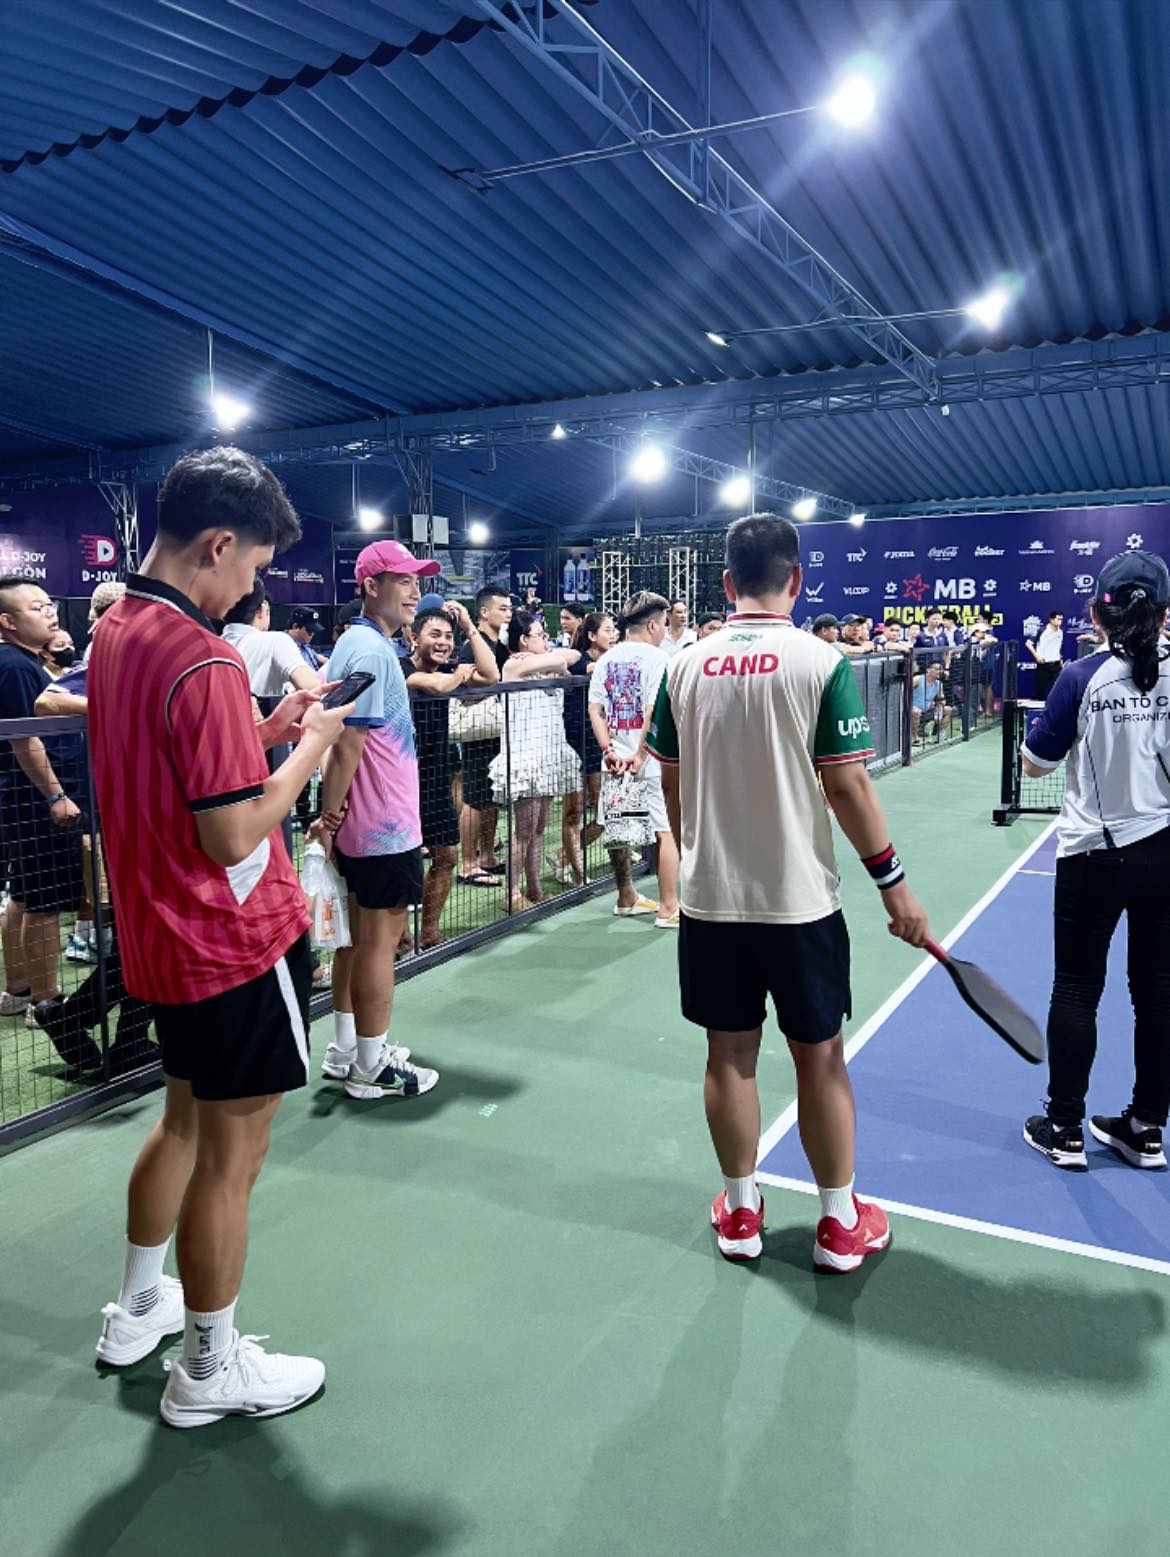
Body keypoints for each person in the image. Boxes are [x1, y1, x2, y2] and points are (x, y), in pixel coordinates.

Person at [86, 445, 352, 1427]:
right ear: (218, 543)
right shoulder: (199, 653)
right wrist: (316, 747)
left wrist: (262, 731)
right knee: (230, 1158)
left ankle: (140, 1307)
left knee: (184, 1120)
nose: (253, 590)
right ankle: (207, 1367)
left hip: (159, 932)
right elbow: (235, 830)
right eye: (251, 571)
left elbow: (177, 759)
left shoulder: (118, 624)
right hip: (226, 938)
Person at [645, 513, 931, 1270]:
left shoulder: (684, 664)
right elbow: (847, 783)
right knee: (820, 1060)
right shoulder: (819, 660)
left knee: (728, 1058)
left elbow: (671, 784)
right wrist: (894, 885)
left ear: (729, 583)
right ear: (796, 580)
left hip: (711, 902)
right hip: (798, 903)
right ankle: (840, 1224)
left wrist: (699, 844)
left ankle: (740, 1213)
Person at [1022, 551, 1170, 1172]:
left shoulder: (1081, 677)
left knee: (1078, 988)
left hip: (1093, 856)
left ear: (1095, 612)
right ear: (1165, 612)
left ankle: (1064, 1126)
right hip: (1165, 854)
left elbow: (1035, 763)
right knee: (1159, 992)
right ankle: (1145, 1128)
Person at [314, 540, 441, 1102]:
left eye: (417, 580)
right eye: (403, 580)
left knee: (355, 939)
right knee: (378, 943)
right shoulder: (370, 651)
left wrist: (333, 816)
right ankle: (371, 1063)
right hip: (381, 825)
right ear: (371, 585)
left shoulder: (357, 644)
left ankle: (347, 1051)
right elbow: (347, 744)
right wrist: (332, 813)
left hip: (368, 824)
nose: (415, 591)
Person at [0, 579, 84, 1029]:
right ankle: (46, 1002)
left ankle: (18, 990)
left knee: (24, 896)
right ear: (8, 622)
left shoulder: (23, 661)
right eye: (36, 607)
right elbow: (23, 739)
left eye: (50, 604)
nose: (50, 613)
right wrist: (56, 794)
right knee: (44, 904)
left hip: (25, 798)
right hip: (35, 800)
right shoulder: (15, 665)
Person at [404, 604, 498, 949]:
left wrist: (470, 627)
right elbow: (440, 685)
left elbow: (490, 676)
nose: (443, 642)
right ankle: (401, 935)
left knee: (446, 856)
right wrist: (461, 673)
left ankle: (428, 931)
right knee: (406, 862)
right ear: (413, 637)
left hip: (435, 778)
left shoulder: (449, 669)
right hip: (399, 782)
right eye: (435, 635)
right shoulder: (402, 669)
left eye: (447, 636)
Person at [589, 591, 680, 928]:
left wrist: (609, 751)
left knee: (620, 828)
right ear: (654, 624)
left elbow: (595, 709)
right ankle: (668, 907)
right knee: (665, 831)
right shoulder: (660, 660)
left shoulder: (606, 660)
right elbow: (653, 710)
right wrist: (641, 754)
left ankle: (626, 897)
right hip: (651, 761)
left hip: (614, 759)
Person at [488, 609, 580, 910]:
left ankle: (535, 888)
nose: (546, 639)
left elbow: (571, 659)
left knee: (539, 828)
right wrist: (556, 660)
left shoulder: (539, 665)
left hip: (549, 754)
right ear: (524, 640)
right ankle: (511, 895)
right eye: (540, 635)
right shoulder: (512, 666)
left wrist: (556, 661)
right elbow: (564, 658)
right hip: (526, 757)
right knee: (523, 831)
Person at [551, 611, 617, 885]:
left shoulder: (610, 660)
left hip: (601, 743)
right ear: (591, 635)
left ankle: (564, 856)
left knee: (604, 813)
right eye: (608, 630)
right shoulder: (580, 661)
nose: (614, 635)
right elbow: (577, 666)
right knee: (574, 812)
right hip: (575, 741)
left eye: (615, 630)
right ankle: (572, 865)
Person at [456, 586, 512, 887]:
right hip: (478, 732)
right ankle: (468, 864)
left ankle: (488, 856)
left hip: (496, 731)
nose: (508, 613)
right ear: (484, 612)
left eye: (509, 608)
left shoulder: (498, 645)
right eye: (502, 608)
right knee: (474, 800)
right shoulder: (472, 646)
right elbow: (466, 692)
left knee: (492, 799)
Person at [222, 582, 322, 697]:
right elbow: (314, 689)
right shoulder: (276, 640)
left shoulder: (209, 646)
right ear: (263, 608)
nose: (312, 635)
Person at [1027, 609, 1065, 699]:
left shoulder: (1061, 632)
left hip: (1056, 665)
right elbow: (1028, 644)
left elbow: (1058, 648)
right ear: (1051, 620)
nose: (1060, 621)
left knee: (1060, 688)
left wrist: (1061, 662)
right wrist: (1037, 656)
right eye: (1058, 619)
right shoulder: (1042, 630)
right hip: (1043, 664)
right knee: (1039, 691)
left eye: (1061, 619)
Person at [910, 660, 951, 741]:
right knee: (916, 711)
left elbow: (941, 699)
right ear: (928, 670)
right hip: (913, 710)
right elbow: (904, 693)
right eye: (936, 669)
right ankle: (913, 737)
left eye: (940, 669)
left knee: (948, 709)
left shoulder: (939, 684)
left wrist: (941, 704)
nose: (939, 671)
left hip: (928, 710)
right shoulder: (917, 679)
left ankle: (938, 734)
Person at [286, 606, 325, 671]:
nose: (312, 634)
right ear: (295, 627)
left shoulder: (304, 644)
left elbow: (321, 659)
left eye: (314, 631)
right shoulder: (285, 646)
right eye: (309, 631)